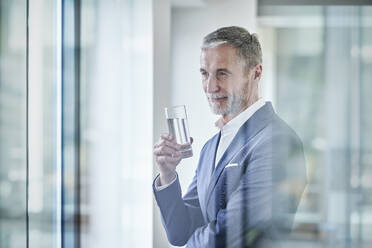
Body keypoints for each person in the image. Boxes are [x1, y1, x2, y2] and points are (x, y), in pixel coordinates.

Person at [153, 26, 307, 248]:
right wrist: (167, 175)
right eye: (205, 74)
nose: (210, 87)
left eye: (222, 73)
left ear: (255, 73)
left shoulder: (277, 142)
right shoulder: (210, 147)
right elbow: (182, 230)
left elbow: (230, 235)